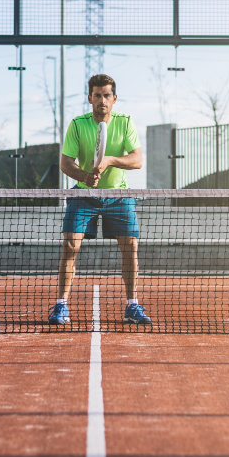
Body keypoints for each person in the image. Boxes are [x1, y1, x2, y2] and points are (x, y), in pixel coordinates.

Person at [49, 74, 151, 326]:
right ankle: (61, 305)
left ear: (114, 99)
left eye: (106, 95)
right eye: (97, 95)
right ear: (89, 98)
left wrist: (110, 161)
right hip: (84, 194)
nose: (102, 100)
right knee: (70, 247)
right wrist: (85, 175)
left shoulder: (125, 122)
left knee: (131, 248)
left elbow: (137, 161)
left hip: (119, 195)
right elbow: (65, 163)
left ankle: (132, 305)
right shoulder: (77, 124)